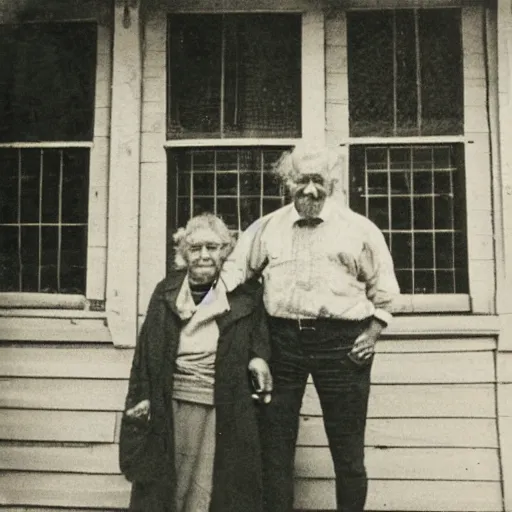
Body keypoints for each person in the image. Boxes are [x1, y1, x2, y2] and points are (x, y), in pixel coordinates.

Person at [221, 144, 400, 512]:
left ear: (332, 184)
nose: (310, 190)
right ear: (288, 183)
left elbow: (385, 293)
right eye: (302, 180)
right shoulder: (267, 228)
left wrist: (373, 333)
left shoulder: (358, 230)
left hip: (343, 346)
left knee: (348, 451)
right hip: (282, 344)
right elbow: (235, 274)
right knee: (276, 448)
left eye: (319, 181)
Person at [120, 213, 273, 512]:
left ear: (226, 251)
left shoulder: (245, 296)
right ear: (183, 253)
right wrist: (141, 399)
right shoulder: (165, 292)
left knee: (211, 488)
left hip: (222, 406)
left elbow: (260, 341)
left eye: (213, 247)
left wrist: (259, 359)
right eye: (196, 248)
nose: (204, 255)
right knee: (168, 487)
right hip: (170, 404)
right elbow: (144, 355)